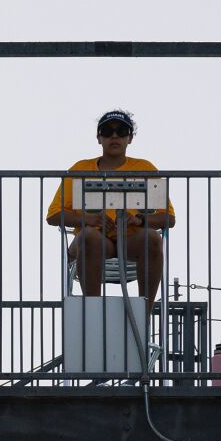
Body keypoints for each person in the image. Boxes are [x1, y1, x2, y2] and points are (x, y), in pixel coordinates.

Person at [46, 110, 176, 305]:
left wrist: (139, 220)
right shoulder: (80, 169)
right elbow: (53, 215)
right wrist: (90, 220)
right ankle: (93, 313)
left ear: (130, 138)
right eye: (107, 131)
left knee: (152, 238)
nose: (114, 136)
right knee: (89, 237)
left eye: (121, 131)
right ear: (99, 138)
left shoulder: (144, 168)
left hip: (130, 240)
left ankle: (144, 315)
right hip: (93, 242)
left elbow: (169, 218)